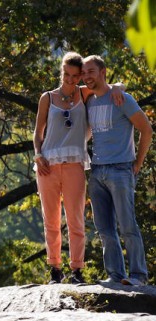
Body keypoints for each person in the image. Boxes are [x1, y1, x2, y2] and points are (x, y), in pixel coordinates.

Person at [33, 52, 124, 284]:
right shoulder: (48, 97)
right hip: (47, 167)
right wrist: (37, 155)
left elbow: (115, 85)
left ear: (80, 76)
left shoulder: (84, 94)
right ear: (61, 72)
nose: (71, 79)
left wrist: (117, 88)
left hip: (75, 165)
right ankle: (55, 269)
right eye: (67, 74)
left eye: (76, 76)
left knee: (76, 220)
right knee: (51, 220)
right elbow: (37, 133)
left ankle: (76, 270)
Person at [82, 55, 153, 286]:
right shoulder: (89, 100)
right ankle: (115, 275)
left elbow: (147, 129)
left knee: (127, 225)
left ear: (103, 71)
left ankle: (138, 276)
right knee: (104, 229)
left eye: (90, 71)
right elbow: (67, 87)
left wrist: (137, 163)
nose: (86, 77)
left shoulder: (122, 99)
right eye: (84, 73)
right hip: (97, 171)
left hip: (121, 170)